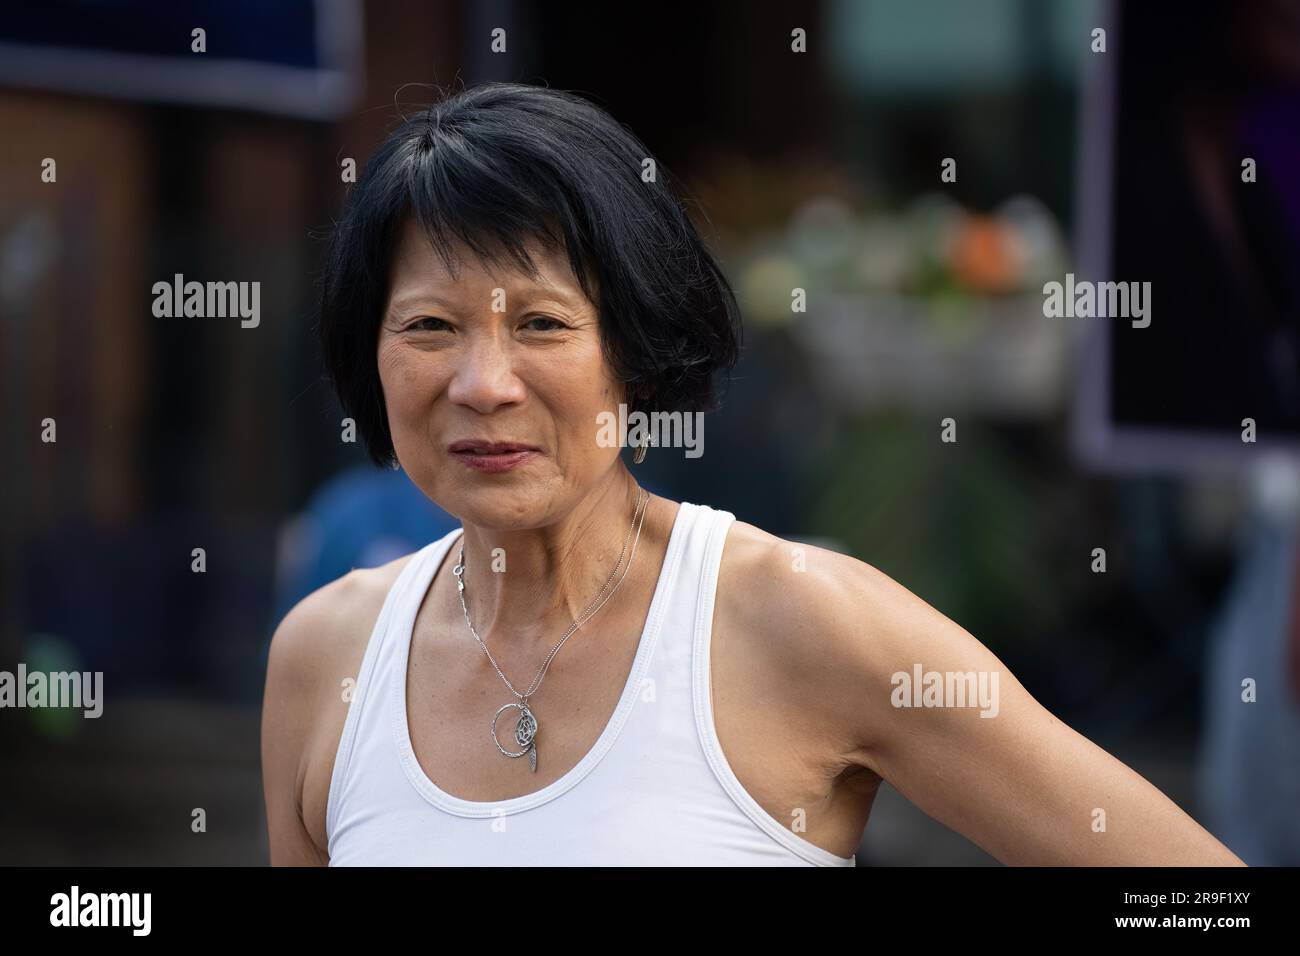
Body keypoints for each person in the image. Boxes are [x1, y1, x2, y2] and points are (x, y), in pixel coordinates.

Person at [261, 82, 1244, 866]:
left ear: (636, 353)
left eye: (542, 324)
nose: (481, 383)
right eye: (429, 326)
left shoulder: (802, 619)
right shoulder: (324, 654)